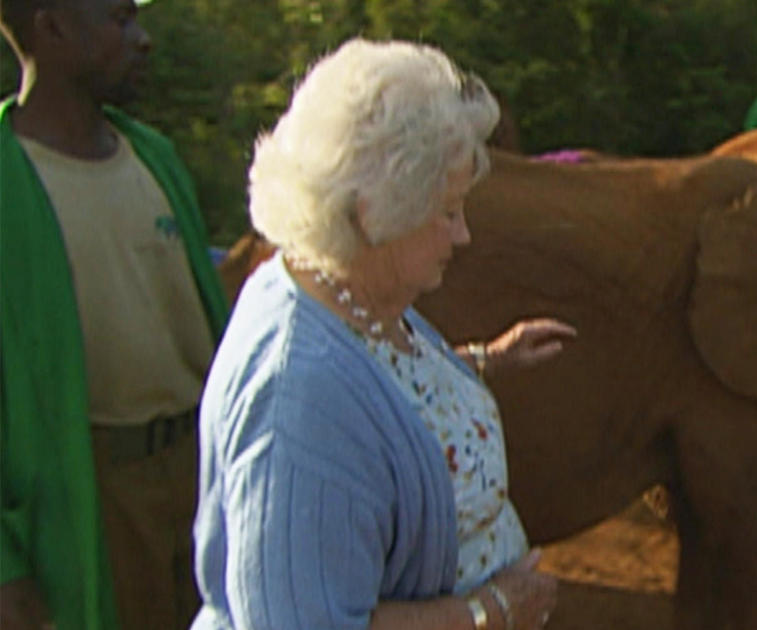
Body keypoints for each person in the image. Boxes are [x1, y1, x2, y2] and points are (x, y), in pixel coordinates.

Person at [192, 38, 574, 629]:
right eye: (447, 212)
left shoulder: (340, 289)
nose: (463, 234)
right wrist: (491, 610)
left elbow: (380, 392)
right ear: (374, 211)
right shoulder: (296, 403)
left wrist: (480, 361)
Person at [0, 0, 229, 628]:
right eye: (120, 20)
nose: (144, 39)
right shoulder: (7, 180)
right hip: (90, 490)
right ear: (52, 26)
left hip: (200, 468)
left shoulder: (153, 157)